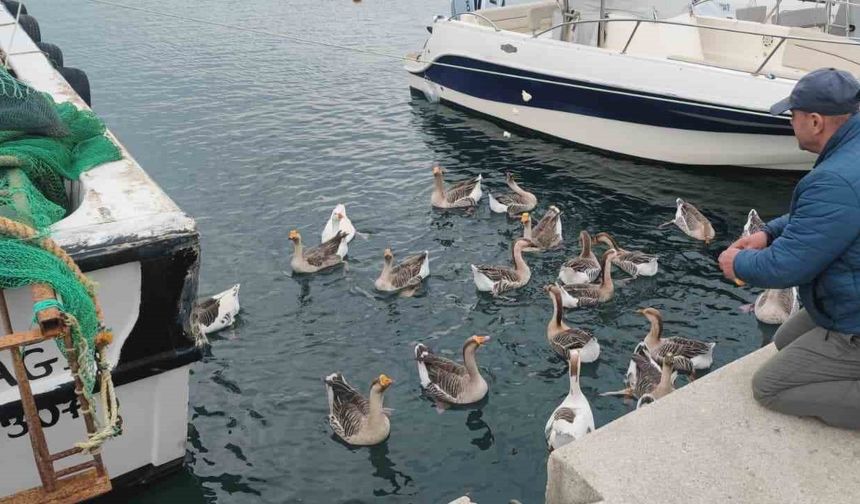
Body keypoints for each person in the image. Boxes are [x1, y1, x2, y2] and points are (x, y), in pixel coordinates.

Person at [718, 68, 860, 430]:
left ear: (815, 122)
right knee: (783, 339)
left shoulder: (834, 178)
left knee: (769, 386)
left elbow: (787, 268)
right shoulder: (850, 155)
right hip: (847, 292)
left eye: (792, 115)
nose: (790, 122)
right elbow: (829, 215)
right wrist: (767, 233)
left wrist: (738, 262)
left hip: (854, 318)